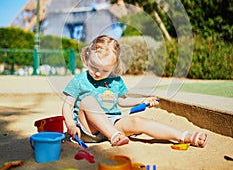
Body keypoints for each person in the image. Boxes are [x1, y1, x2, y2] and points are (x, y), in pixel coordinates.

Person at [62, 35, 208, 147]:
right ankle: (114, 136)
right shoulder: (79, 80)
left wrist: (141, 100)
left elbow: (122, 100)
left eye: (104, 70)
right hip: (89, 129)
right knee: (88, 100)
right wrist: (70, 125)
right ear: (88, 58)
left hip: (113, 124)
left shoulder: (116, 81)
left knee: (138, 121)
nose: (98, 73)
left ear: (113, 67)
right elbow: (67, 105)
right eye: (94, 67)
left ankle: (184, 136)